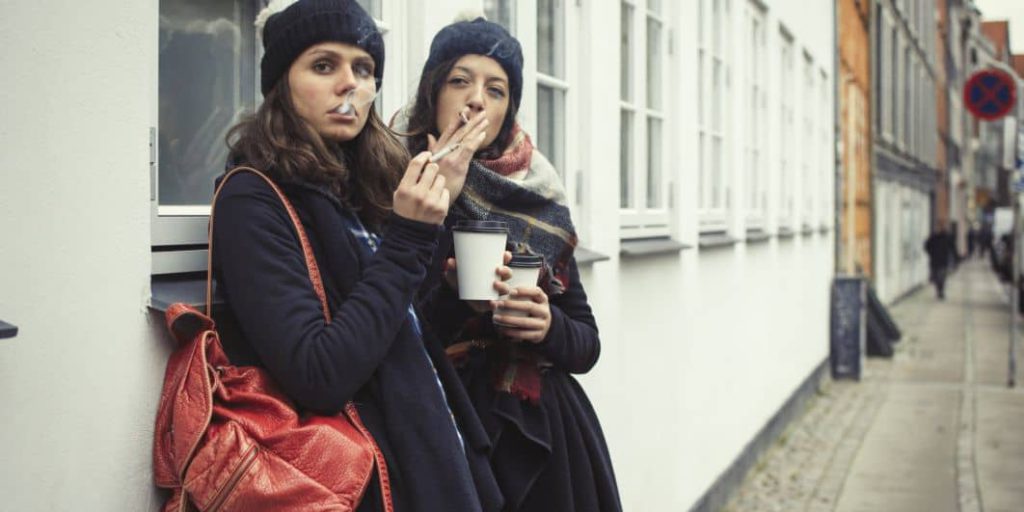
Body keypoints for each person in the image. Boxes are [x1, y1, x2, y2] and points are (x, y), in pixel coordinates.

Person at [212, 1, 505, 510]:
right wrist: (410, 235)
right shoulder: (251, 198)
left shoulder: (361, 187)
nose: (349, 84)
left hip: (434, 458)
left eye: (364, 69)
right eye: (324, 66)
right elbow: (320, 374)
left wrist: (451, 281)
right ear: (281, 82)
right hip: (370, 484)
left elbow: (398, 332)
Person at [398, 16, 623, 512]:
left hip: (542, 434)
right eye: (460, 81)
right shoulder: (391, 177)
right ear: (433, 90)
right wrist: (442, 199)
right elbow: (388, 327)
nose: (477, 100)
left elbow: (586, 345)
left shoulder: (534, 196)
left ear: (508, 109)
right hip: (440, 426)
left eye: (495, 89)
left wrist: (547, 326)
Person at [924, 225, 954, 299]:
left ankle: (940, 291)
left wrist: (931, 253)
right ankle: (940, 291)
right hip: (940, 261)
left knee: (939, 277)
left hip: (938, 261)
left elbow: (927, 246)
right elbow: (927, 246)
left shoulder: (938, 237)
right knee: (939, 277)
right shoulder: (936, 237)